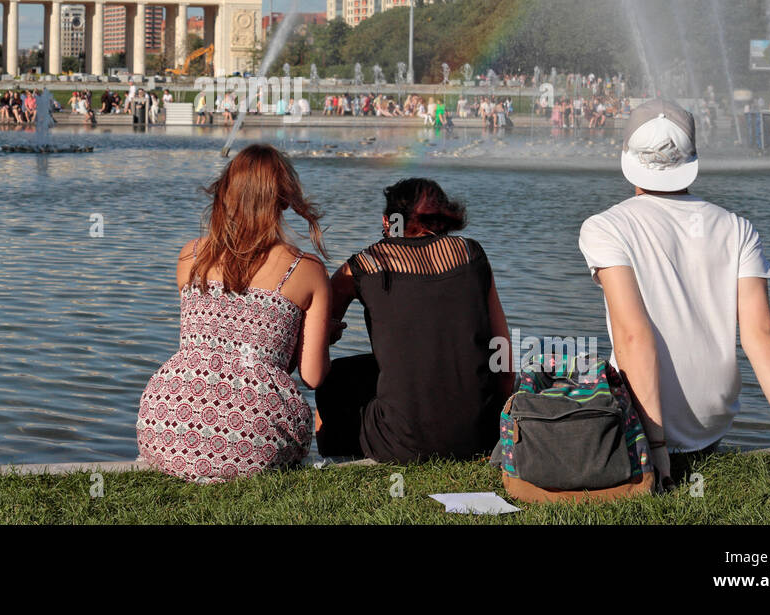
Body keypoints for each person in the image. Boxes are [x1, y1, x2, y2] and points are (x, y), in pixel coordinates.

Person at [578, 99, 770, 490]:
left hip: (642, 428)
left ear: (626, 158)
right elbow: (760, 337)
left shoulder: (605, 227)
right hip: (711, 424)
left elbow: (633, 338)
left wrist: (656, 449)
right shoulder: (738, 229)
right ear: (693, 159)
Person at [137, 144, 332, 482]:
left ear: (225, 193)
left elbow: (212, 344)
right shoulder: (306, 269)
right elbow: (313, 377)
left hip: (166, 425)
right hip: (254, 440)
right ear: (285, 200)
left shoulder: (191, 256)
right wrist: (320, 334)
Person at [315, 178, 511, 462]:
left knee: (336, 375)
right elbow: (502, 352)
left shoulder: (363, 265)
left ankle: (328, 459)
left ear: (388, 220)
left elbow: (319, 332)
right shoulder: (472, 255)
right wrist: (495, 421)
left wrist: (330, 331)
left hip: (402, 444)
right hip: (480, 434)